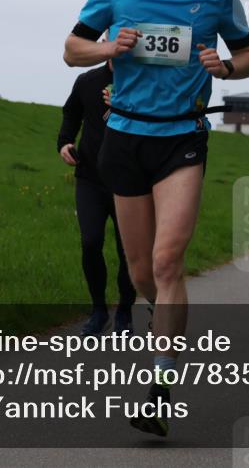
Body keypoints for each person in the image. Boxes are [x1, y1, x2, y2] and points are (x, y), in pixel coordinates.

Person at [63, 0, 249, 436]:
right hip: (124, 137)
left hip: (182, 138)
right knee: (141, 271)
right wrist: (108, 48)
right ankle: (165, 323)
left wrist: (226, 66)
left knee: (169, 261)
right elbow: (71, 48)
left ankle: (159, 386)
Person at [58, 61, 137, 337]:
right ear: (106, 40)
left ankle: (125, 311)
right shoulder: (87, 81)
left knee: (128, 250)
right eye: (111, 35)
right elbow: (71, 114)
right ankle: (98, 310)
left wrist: (125, 106)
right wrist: (65, 142)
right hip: (90, 177)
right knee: (90, 241)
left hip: (129, 178)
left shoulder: (143, 80)